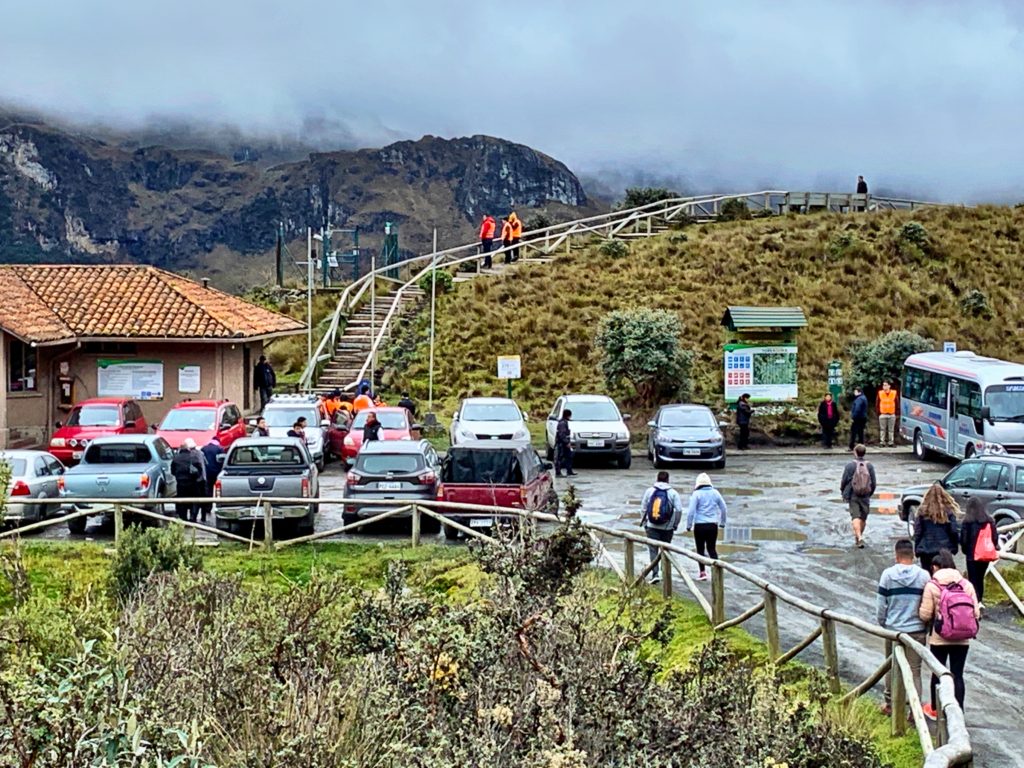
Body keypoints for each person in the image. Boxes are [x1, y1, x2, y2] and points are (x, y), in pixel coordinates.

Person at [919, 549, 979, 717]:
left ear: (935, 567)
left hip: (939, 638)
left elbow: (924, 614)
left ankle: (936, 710)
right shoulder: (966, 584)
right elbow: (976, 613)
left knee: (938, 673)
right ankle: (958, 711)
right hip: (962, 638)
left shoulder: (932, 585)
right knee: (957, 674)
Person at [876, 538, 930, 714]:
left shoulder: (887, 575)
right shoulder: (923, 576)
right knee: (915, 671)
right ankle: (915, 710)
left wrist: (883, 623)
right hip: (917, 629)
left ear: (896, 555)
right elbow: (928, 604)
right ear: (913, 555)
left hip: (893, 629)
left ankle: (890, 704)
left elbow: (880, 605)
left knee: (892, 666)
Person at [640, 470, 684, 584]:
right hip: (667, 528)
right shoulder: (673, 493)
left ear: (657, 479)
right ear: (668, 480)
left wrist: (645, 523)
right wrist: (675, 524)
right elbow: (679, 510)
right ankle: (665, 573)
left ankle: (655, 574)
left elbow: (643, 508)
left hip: (651, 526)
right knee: (665, 551)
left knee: (653, 550)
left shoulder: (650, 491)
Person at [686, 472, 728, 581]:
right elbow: (723, 508)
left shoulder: (696, 494)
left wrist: (689, 525)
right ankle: (716, 573)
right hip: (712, 525)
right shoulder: (715, 493)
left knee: (700, 549)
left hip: (699, 525)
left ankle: (702, 572)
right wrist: (722, 522)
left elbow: (691, 511)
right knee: (712, 548)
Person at [960, 497, 1000, 609]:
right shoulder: (989, 521)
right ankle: (980, 600)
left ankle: (974, 601)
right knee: (980, 578)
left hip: (972, 555)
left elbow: (963, 540)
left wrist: (965, 551)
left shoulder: (967, 522)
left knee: (973, 579)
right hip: (985, 555)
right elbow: (995, 538)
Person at [914, 482, 960, 572]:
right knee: (944, 578)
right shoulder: (948, 512)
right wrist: (955, 547)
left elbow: (918, 533)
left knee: (928, 577)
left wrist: (917, 549)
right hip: (944, 551)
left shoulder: (922, 512)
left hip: (926, 550)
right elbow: (954, 531)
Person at [840, 443, 876, 548]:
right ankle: (859, 536)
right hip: (865, 495)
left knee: (855, 516)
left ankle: (859, 537)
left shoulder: (850, 465)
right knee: (863, 518)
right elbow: (873, 482)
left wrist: (843, 491)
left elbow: (844, 480)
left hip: (853, 493)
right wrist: (870, 492)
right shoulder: (869, 466)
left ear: (855, 452)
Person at [171, 438, 206, 522]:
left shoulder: (176, 458)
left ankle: (183, 518)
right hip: (193, 483)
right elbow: (200, 468)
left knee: (182, 501)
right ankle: (193, 517)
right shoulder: (193, 456)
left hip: (181, 484)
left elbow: (172, 471)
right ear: (188, 448)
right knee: (194, 500)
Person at [199, 436, 225, 524]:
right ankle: (218, 506)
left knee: (208, 490)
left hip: (206, 473)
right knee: (218, 490)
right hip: (216, 472)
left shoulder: (204, 448)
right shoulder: (219, 449)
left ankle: (207, 508)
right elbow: (221, 461)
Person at [877, 380, 898, 448]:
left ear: (889, 386)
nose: (884, 386)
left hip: (891, 413)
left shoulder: (894, 393)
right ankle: (882, 442)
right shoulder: (880, 393)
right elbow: (877, 403)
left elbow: (897, 403)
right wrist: (879, 413)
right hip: (883, 413)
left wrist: (896, 412)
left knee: (891, 429)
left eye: (885, 385)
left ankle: (891, 442)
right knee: (882, 429)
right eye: (883, 385)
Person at [555, 409, 575, 477]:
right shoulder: (562, 423)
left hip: (564, 442)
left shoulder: (564, 422)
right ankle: (558, 472)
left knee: (569, 456)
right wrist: (567, 442)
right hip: (562, 443)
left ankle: (569, 471)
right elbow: (562, 434)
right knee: (560, 457)